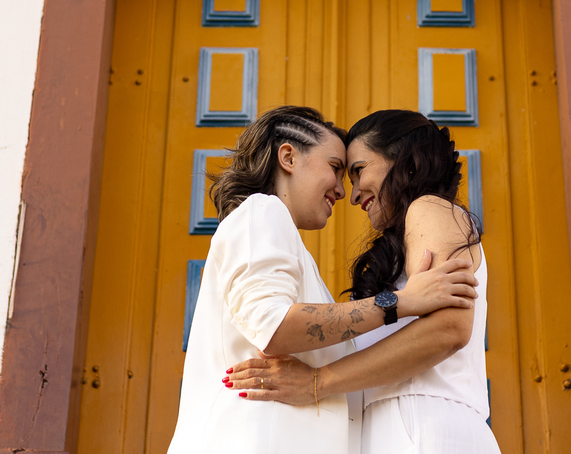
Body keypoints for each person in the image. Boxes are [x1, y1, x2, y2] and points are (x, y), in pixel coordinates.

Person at [167, 106, 479, 454]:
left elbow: (449, 327)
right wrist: (398, 303)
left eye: (357, 170)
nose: (351, 193)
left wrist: (319, 382)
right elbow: (273, 324)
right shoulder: (263, 210)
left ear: (403, 161)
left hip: (422, 431)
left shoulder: (429, 209)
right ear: (288, 157)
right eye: (338, 169)